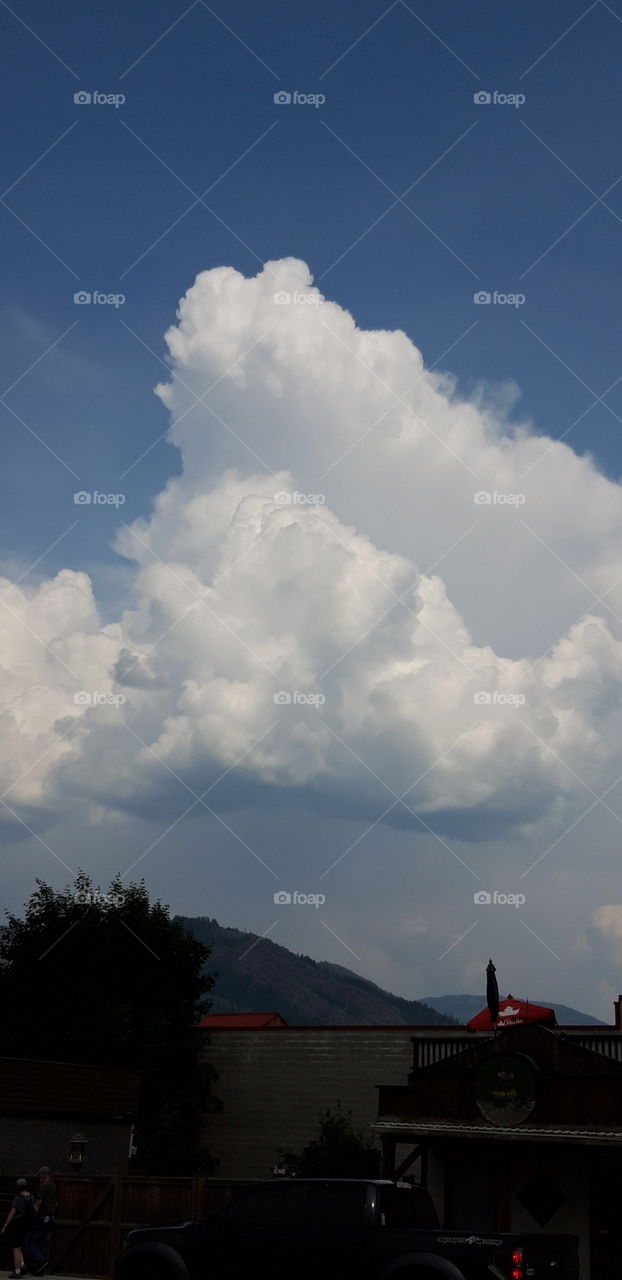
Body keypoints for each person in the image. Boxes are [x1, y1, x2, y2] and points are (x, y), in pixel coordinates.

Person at [1, 1177, 35, 1278]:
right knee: (18, 1247)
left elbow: (12, 1213)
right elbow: (33, 1210)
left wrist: (5, 1226)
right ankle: (23, 1265)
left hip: (18, 1223)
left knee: (16, 1248)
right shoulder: (31, 1197)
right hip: (26, 1224)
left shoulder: (18, 1198)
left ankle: (17, 1271)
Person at [26, 1167, 56, 1276]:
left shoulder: (44, 1185)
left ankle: (41, 1260)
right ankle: (41, 1268)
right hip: (50, 1218)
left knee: (31, 1241)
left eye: (40, 1175)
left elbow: (39, 1201)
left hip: (43, 1217)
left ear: (44, 1174)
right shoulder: (53, 1185)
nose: (39, 1177)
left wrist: (33, 1209)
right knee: (42, 1242)